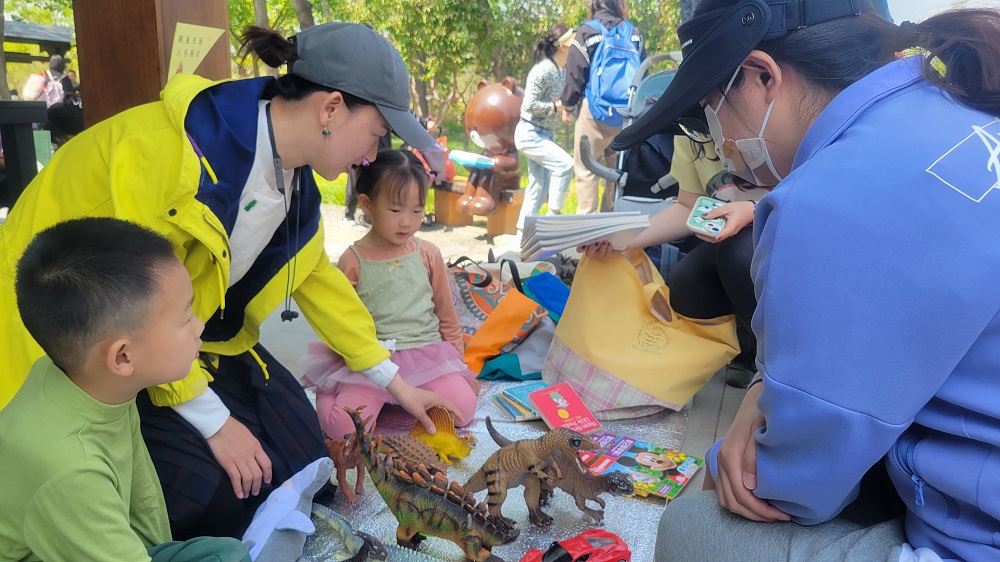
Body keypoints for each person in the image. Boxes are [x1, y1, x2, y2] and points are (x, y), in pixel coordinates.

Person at [0, 22, 460, 540]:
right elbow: (138, 314)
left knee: (304, 463)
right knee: (218, 496)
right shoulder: (172, 154)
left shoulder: (294, 180)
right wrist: (216, 424)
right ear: (331, 109)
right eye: (376, 134)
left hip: (185, 334)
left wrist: (398, 384)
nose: (373, 155)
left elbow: (321, 285)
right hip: (81, 342)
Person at [609, 0, 1000, 560]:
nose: (718, 142)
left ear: (762, 76)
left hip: (976, 537)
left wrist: (747, 437)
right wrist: (768, 386)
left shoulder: (825, 201)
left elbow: (789, 489)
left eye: (708, 113)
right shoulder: (958, 108)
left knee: (696, 528)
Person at [1, 217, 249, 562]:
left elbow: (142, 495)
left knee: (226, 551)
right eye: (185, 318)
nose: (200, 326)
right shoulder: (71, 470)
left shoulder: (94, 382)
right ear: (122, 357)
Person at [301, 149, 479, 442]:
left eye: (417, 211)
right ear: (367, 204)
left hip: (426, 356)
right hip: (373, 361)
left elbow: (447, 316)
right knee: (344, 430)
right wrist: (332, 377)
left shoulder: (428, 253)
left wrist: (457, 366)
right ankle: (329, 393)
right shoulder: (353, 260)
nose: (406, 222)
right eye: (395, 211)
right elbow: (340, 324)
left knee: (463, 411)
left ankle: (401, 401)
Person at [583, 135, 767, 387]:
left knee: (740, 255)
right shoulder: (689, 132)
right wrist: (620, 239)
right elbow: (687, 207)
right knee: (686, 285)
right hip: (725, 240)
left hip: (785, 236)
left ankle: (776, 363)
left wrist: (755, 209)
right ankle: (742, 350)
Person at [561, 0, 644, 214]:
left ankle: (587, 222)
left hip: (594, 114)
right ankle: (611, 221)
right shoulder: (633, 33)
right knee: (616, 173)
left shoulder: (587, 32)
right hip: (626, 116)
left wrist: (568, 106)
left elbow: (575, 73)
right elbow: (643, 72)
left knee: (586, 170)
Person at [514, 23, 576, 232]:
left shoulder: (562, 70)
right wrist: (556, 107)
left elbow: (556, 101)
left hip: (546, 134)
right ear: (563, 46)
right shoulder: (542, 70)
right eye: (573, 42)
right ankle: (553, 217)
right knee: (565, 165)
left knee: (538, 187)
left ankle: (523, 233)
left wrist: (563, 112)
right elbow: (528, 106)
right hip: (530, 134)